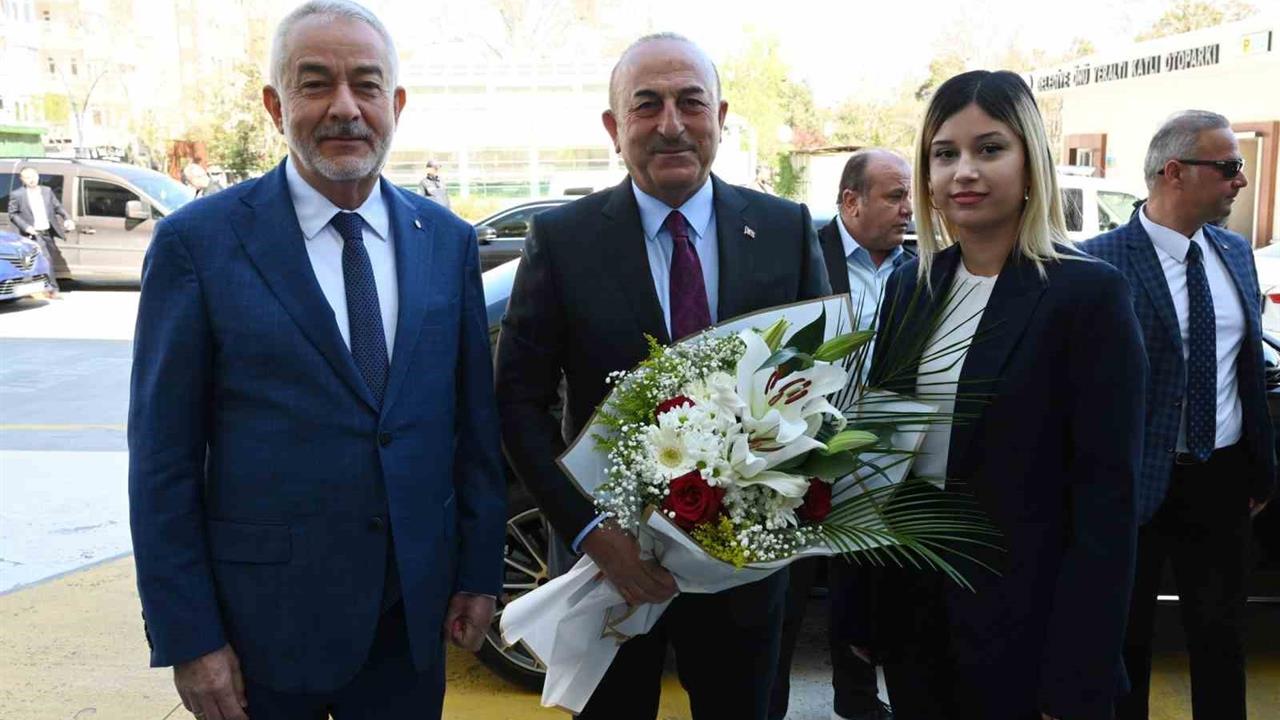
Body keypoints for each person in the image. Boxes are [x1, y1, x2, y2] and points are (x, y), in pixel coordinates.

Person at [127, 2, 505, 719]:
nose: (345, 108)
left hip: (410, 625)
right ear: (276, 106)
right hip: (260, 633)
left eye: (366, 84)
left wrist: (479, 573)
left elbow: (473, 433)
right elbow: (161, 462)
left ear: (395, 104)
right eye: (315, 84)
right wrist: (190, 637)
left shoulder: (445, 240)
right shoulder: (198, 245)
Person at [495, 32, 830, 720]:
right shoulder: (562, 241)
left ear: (721, 116)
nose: (671, 124)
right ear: (614, 127)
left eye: (690, 102)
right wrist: (591, 533)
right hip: (607, 569)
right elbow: (518, 404)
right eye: (646, 105)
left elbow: (823, 385)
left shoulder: (785, 229)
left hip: (745, 570)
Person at [867, 70, 1146, 720]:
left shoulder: (1088, 295)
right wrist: (860, 614)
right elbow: (879, 458)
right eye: (945, 153)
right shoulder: (910, 287)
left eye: (989, 148)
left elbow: (1107, 502)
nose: (964, 171)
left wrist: (1077, 675)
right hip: (917, 623)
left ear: (1030, 163)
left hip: (1032, 632)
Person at [1081, 110, 1275, 720]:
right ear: (1174, 172)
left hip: (1222, 481)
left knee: (1222, 640)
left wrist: (1259, 468)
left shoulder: (1235, 252)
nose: (1241, 179)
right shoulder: (1097, 262)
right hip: (1133, 485)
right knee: (1126, 644)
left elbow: (1246, 366)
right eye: (1229, 166)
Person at [771, 148, 912, 720]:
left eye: (910, 196)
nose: (909, 209)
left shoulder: (920, 268)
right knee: (787, 596)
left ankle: (859, 702)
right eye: (895, 196)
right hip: (801, 454)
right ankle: (767, 705)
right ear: (851, 202)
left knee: (869, 598)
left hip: (885, 460)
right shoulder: (803, 255)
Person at [7, 166, 73, 295]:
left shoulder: (47, 191)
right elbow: (12, 214)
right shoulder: (18, 194)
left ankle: (33, 287)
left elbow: (58, 207)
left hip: (47, 232)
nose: (31, 180)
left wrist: (67, 218)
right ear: (22, 179)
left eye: (33, 176)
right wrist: (26, 227)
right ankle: (52, 290)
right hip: (33, 233)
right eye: (27, 177)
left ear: (38, 176)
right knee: (46, 259)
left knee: (47, 259)